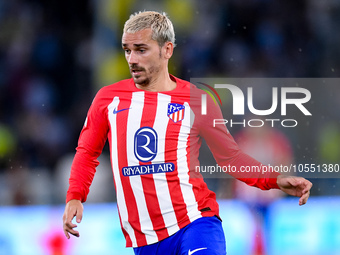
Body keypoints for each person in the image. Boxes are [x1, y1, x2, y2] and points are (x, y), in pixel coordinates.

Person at [62, 11, 312, 255]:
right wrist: (75, 196)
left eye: (141, 50)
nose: (132, 59)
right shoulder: (108, 99)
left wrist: (273, 179)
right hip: (145, 241)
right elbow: (87, 152)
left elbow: (231, 158)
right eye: (127, 50)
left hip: (196, 222)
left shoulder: (197, 100)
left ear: (167, 50)